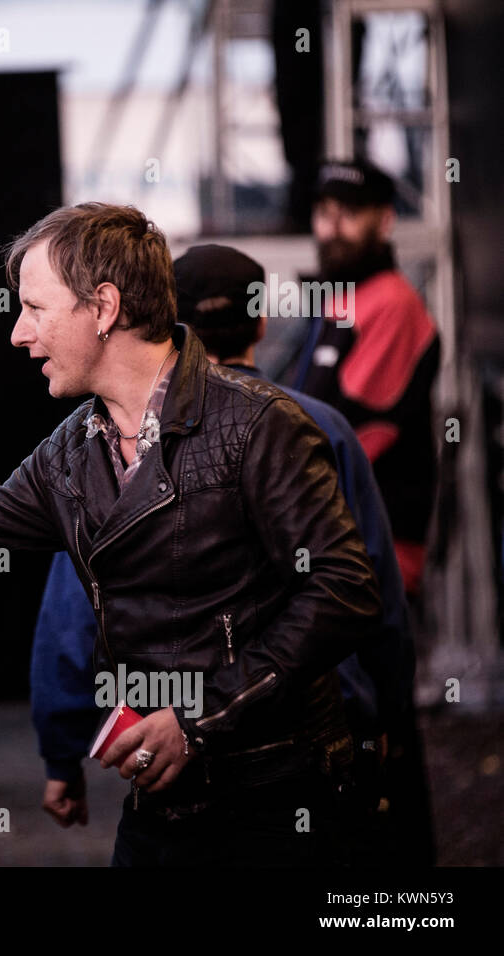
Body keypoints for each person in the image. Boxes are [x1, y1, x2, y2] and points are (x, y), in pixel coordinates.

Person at [0, 203, 382, 865]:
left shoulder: (259, 424)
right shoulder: (73, 449)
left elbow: (343, 591)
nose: (20, 335)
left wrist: (200, 718)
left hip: (281, 797)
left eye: (35, 309)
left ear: (103, 307)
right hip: (167, 804)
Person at [33, 244, 434, 864]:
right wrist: (390, 721)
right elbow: (368, 592)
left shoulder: (126, 444)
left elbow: (76, 611)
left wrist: (63, 752)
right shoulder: (319, 425)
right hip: (313, 744)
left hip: (177, 746)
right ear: (263, 322)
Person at [288, 159, 440, 596]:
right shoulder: (342, 299)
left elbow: (337, 431)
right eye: (324, 213)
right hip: (337, 543)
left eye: (349, 215)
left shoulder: (391, 303)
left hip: (373, 547)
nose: (332, 229)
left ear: (386, 220)